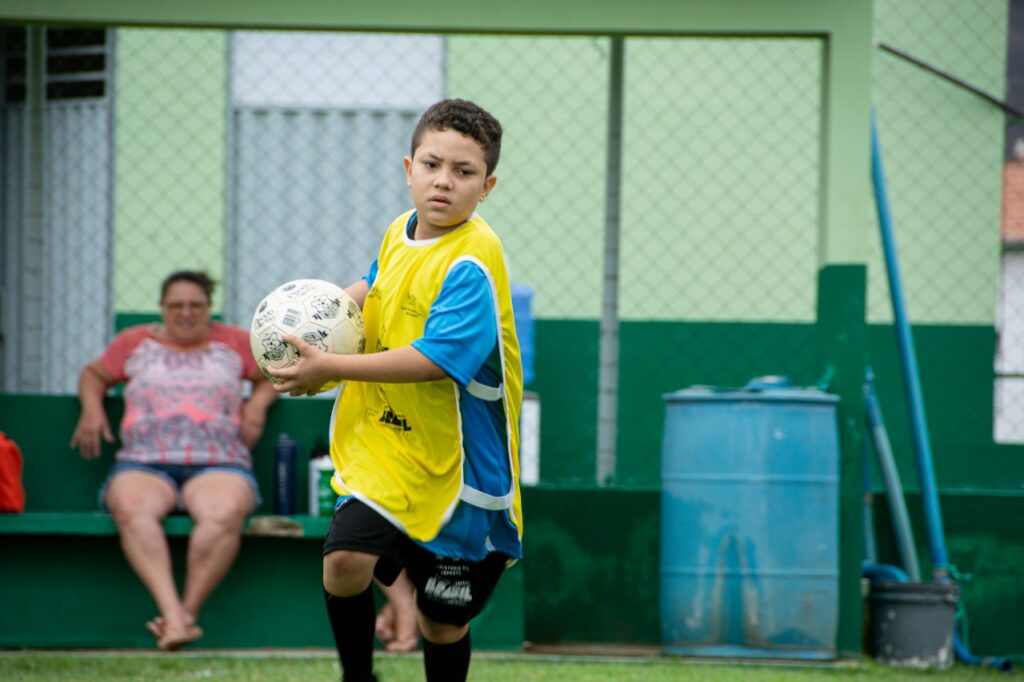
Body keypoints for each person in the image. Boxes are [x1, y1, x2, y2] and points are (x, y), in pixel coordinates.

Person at [268, 98, 523, 682]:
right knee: (345, 563)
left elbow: (436, 360)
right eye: (432, 165)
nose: (443, 181)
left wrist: (327, 365)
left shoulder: (472, 263)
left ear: (486, 187)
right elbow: (376, 283)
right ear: (408, 167)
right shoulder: (399, 231)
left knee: (441, 621)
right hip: (386, 449)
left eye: (463, 172)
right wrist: (317, 317)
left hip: (460, 468)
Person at [70, 270, 278, 652]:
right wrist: (91, 408)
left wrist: (258, 406)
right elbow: (94, 374)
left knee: (224, 511)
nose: (186, 313)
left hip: (220, 463)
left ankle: (183, 615)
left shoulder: (235, 341)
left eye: (195, 305)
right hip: (144, 463)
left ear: (208, 308)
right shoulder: (134, 342)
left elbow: (270, 377)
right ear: (162, 308)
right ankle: (175, 615)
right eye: (176, 305)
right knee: (131, 507)